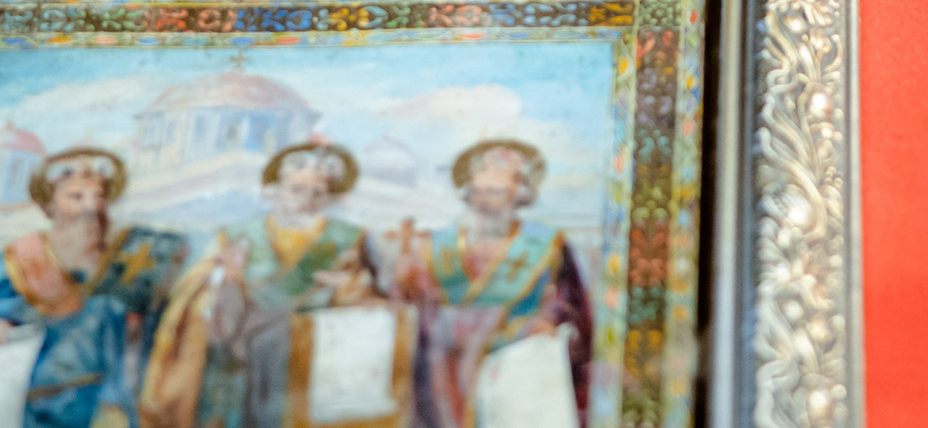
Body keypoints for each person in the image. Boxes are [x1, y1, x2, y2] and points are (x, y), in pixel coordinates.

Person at [0, 147, 186, 428]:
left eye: (98, 197)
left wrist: (137, 321)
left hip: (93, 402)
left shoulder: (120, 262)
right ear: (50, 207)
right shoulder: (22, 259)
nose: (91, 208)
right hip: (26, 404)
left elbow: (131, 337)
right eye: (75, 197)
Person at [140, 142, 400, 428]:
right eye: (297, 190)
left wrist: (349, 288)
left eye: (318, 193)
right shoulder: (238, 235)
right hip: (243, 351)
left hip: (315, 351)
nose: (307, 200)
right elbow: (196, 290)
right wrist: (225, 280)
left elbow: (372, 295)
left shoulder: (350, 238)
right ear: (273, 191)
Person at [388, 140, 592, 428]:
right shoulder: (435, 244)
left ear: (519, 194)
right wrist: (404, 282)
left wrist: (549, 324)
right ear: (468, 193)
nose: (486, 201)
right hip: (445, 364)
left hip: (515, 363)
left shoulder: (545, 244)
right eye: (479, 191)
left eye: (497, 192)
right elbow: (414, 304)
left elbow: (567, 304)